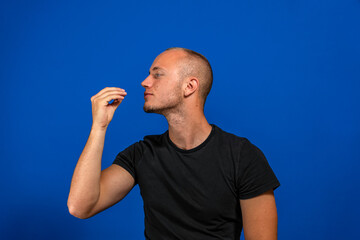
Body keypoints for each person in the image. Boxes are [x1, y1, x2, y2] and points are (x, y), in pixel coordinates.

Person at [67, 47, 280, 240]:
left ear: (189, 86)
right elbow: (81, 206)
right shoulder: (142, 154)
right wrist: (99, 127)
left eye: (157, 74)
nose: (145, 82)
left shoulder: (243, 157)